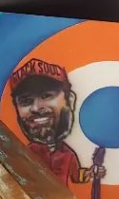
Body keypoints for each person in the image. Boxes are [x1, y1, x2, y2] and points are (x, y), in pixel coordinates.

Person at [10, 58, 104, 186]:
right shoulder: (28, 153)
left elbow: (76, 175)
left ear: (70, 100)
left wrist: (90, 172)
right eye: (26, 101)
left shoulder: (68, 154)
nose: (36, 108)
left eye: (46, 96)